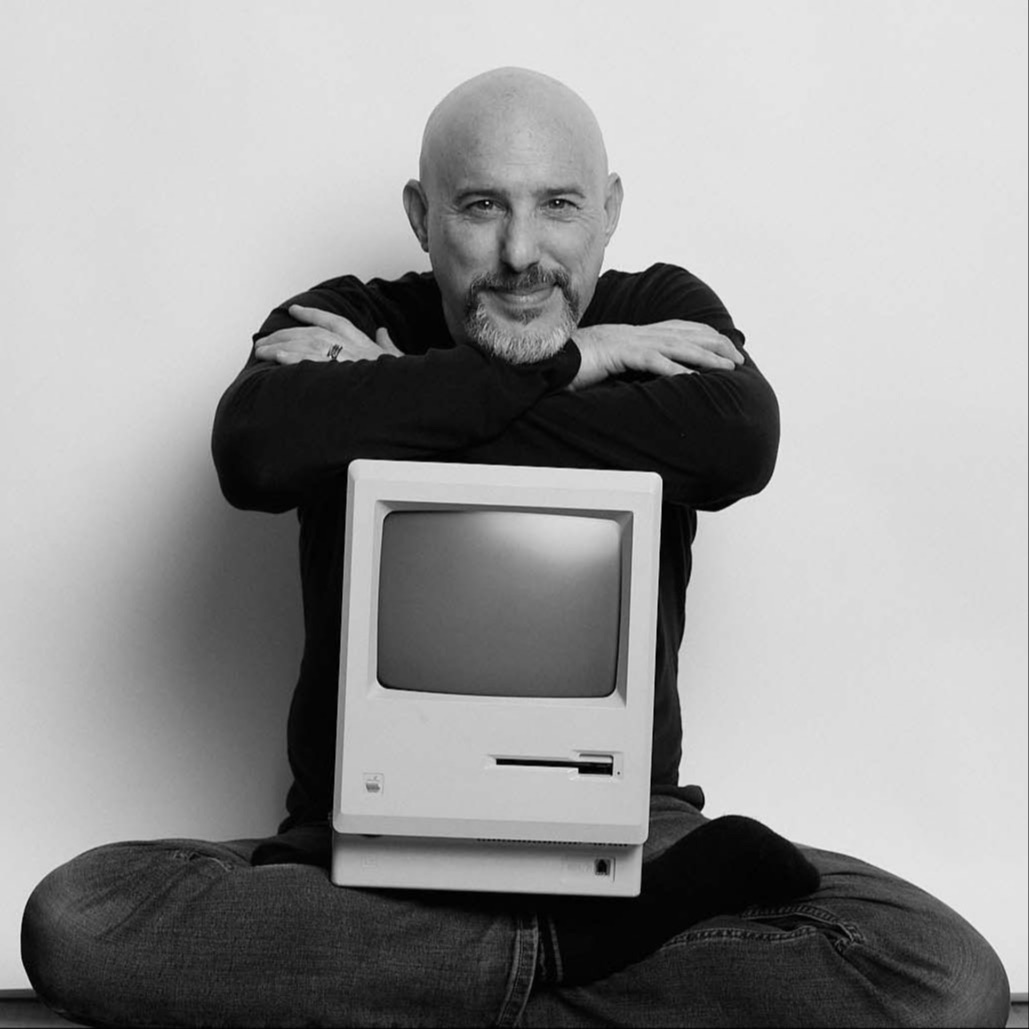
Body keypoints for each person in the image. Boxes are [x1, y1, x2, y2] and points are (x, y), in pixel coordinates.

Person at [21, 67, 1009, 1028]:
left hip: (634, 836)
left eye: (559, 205)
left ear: (609, 211)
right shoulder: (344, 315)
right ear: (421, 216)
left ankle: (416, 989)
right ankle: (576, 965)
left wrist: (396, 395)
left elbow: (738, 442)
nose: (521, 252)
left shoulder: (660, 308)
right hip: (359, 846)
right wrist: (585, 361)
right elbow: (257, 450)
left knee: (941, 974)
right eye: (482, 206)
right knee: (81, 919)